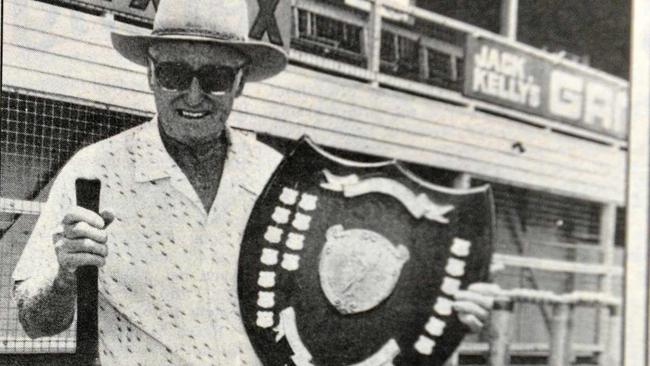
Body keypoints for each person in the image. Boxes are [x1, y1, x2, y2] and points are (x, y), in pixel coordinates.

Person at [12, 0, 499, 364]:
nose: (195, 95)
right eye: (176, 73)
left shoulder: (278, 177)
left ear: (242, 81)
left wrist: (442, 298)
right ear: (151, 74)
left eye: (217, 77)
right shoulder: (93, 170)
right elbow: (34, 322)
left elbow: (337, 308)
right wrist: (65, 273)